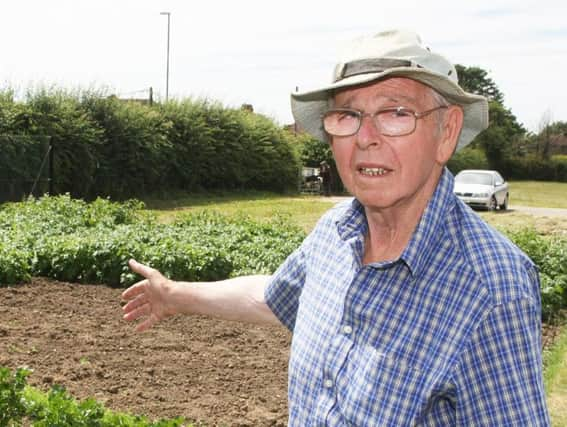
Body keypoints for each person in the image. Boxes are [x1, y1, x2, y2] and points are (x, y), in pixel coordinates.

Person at [122, 30, 550, 426]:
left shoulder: (492, 287)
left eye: (396, 113)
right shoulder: (334, 234)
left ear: (447, 132)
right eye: (347, 116)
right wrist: (174, 294)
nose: (365, 137)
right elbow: (274, 297)